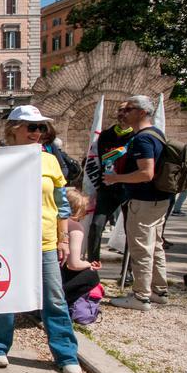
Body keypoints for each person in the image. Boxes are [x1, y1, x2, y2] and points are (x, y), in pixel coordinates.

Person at [0, 105, 82, 373]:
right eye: (32, 127)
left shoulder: (49, 160)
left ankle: (66, 354)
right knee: (4, 296)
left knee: (54, 299)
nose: (38, 133)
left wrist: (63, 240)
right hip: (9, 239)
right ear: (14, 129)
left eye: (41, 128)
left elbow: (61, 204)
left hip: (45, 240)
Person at [105, 96, 170, 310]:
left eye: (129, 109)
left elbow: (146, 173)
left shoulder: (143, 139)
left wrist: (116, 178)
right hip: (158, 200)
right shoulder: (156, 134)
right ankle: (159, 291)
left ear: (142, 112)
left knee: (141, 248)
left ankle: (141, 296)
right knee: (156, 245)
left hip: (144, 200)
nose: (124, 113)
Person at [86, 107, 136, 263]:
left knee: (131, 230)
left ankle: (127, 270)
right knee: (96, 226)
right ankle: (93, 264)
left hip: (129, 189)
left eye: (127, 110)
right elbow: (99, 159)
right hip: (107, 188)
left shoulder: (137, 136)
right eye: (119, 110)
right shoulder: (106, 135)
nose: (122, 114)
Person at [62, 188, 101, 305]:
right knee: (92, 276)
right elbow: (73, 264)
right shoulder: (75, 227)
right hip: (59, 275)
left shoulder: (50, 222)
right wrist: (89, 264)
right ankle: (61, 305)